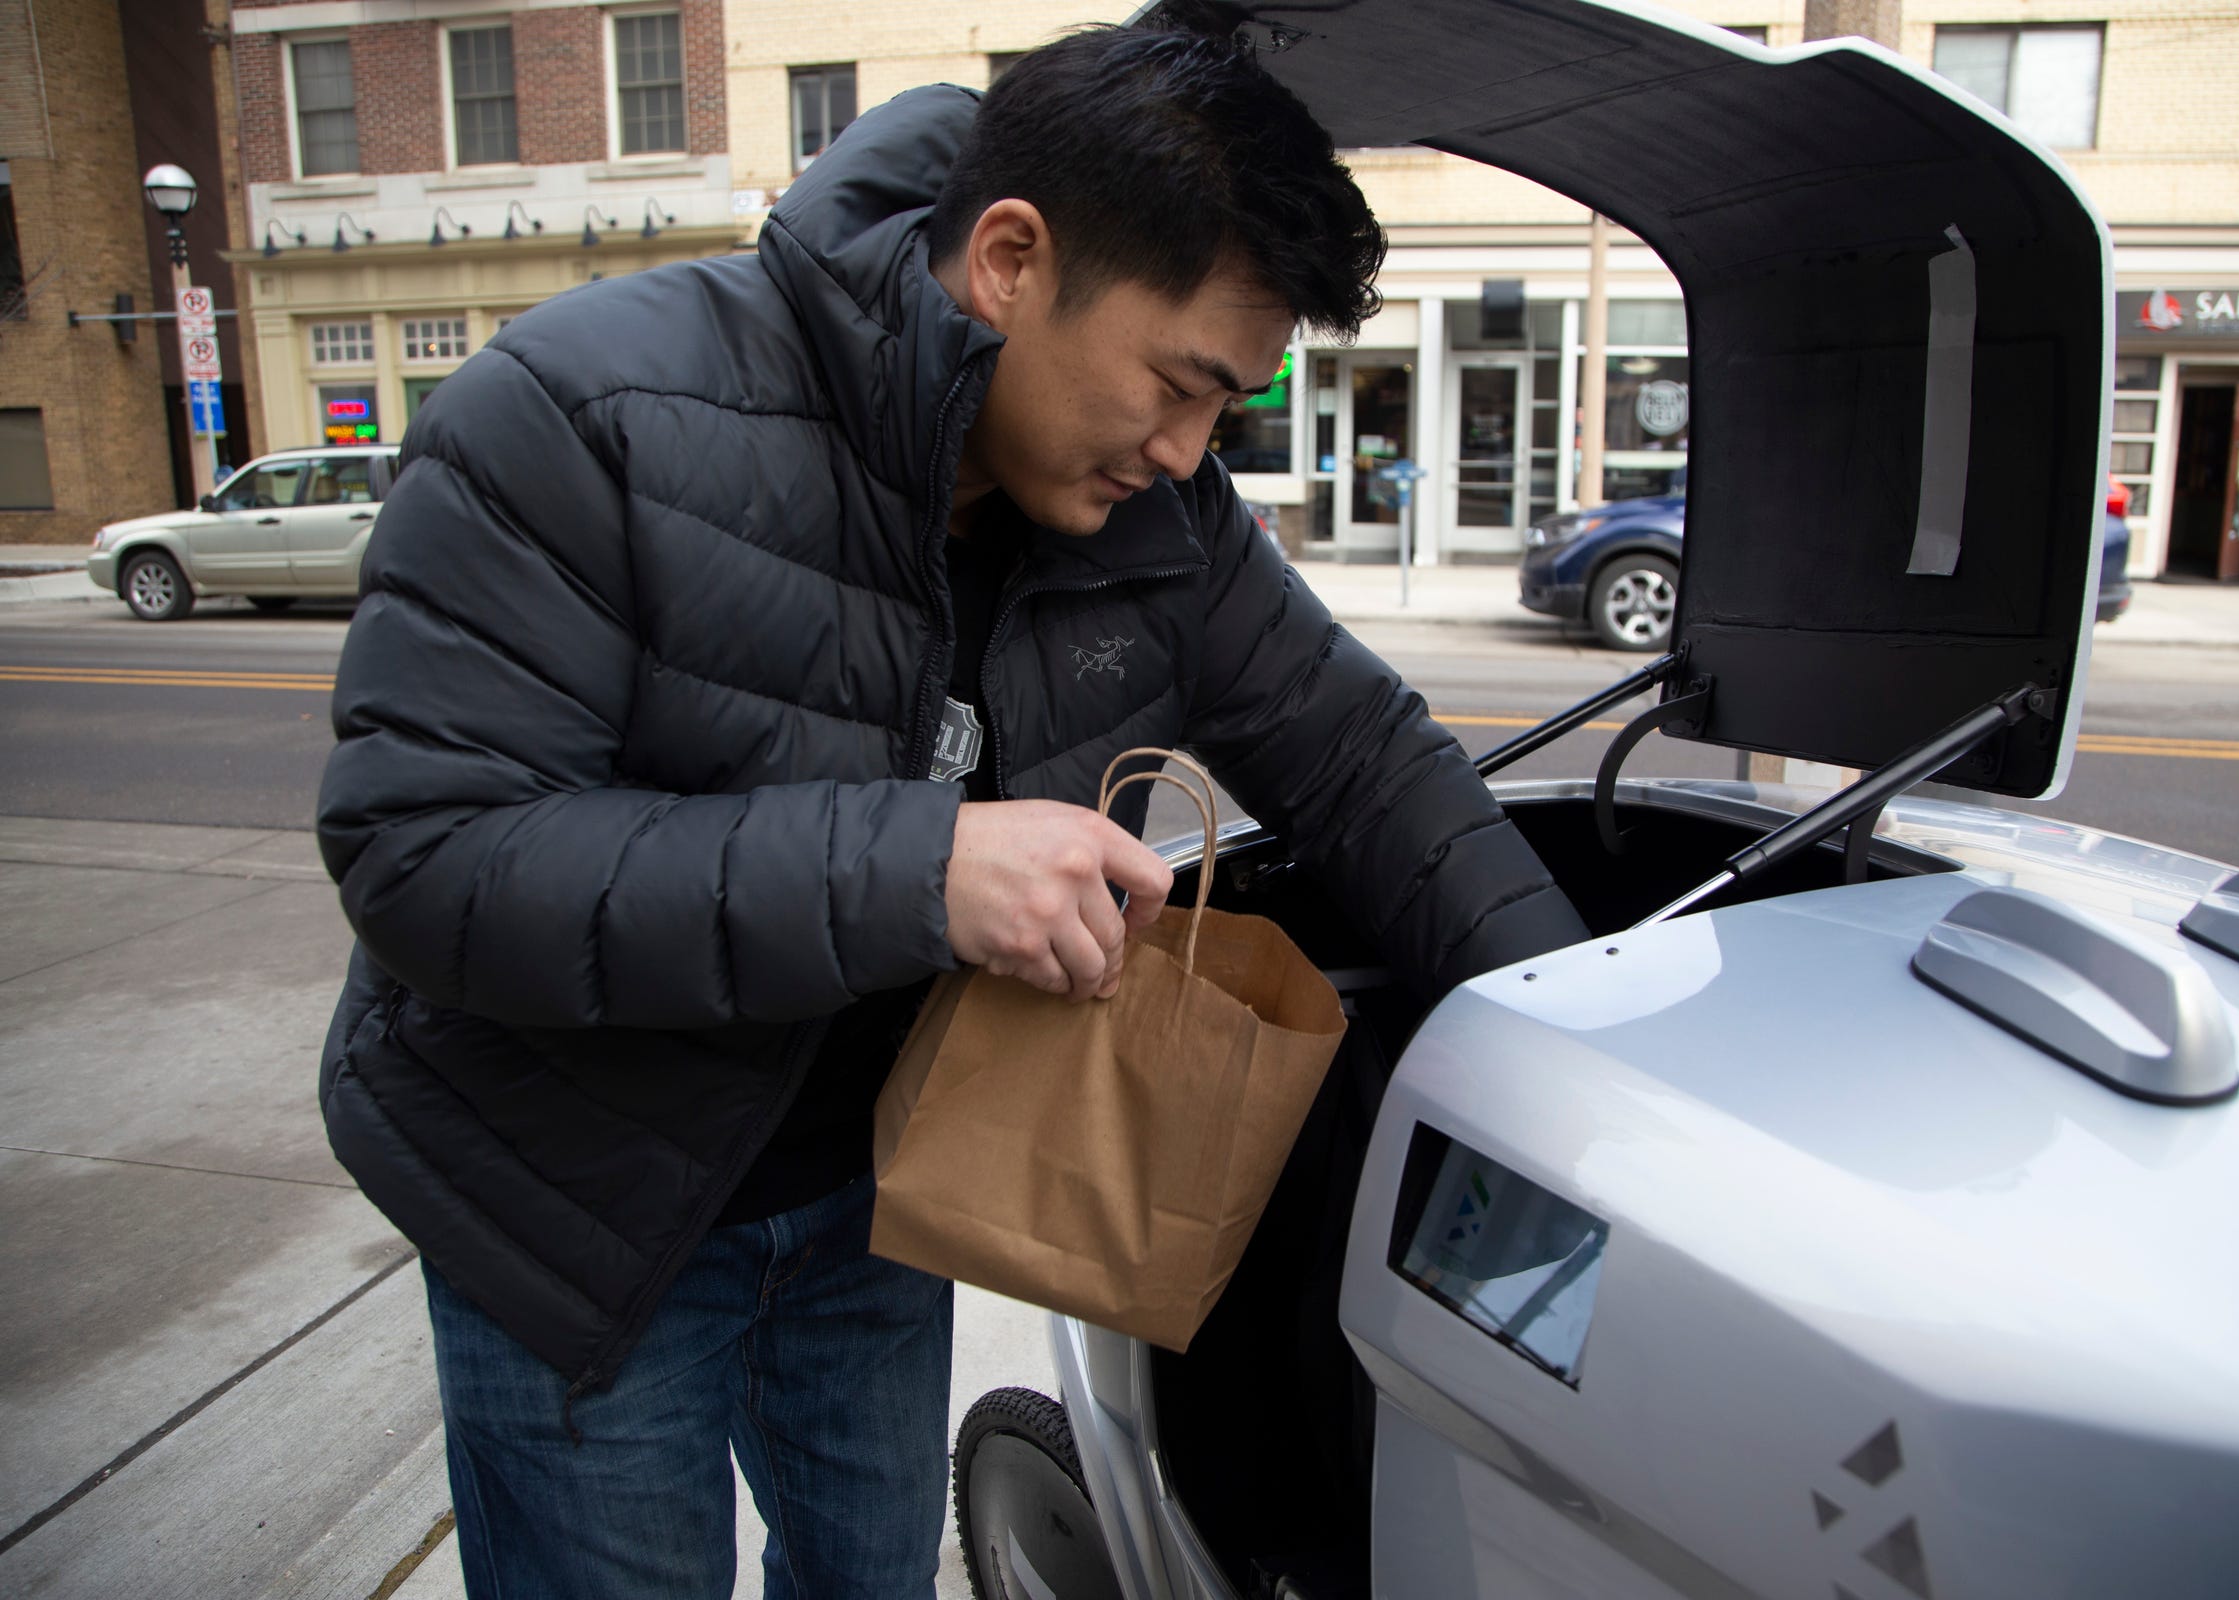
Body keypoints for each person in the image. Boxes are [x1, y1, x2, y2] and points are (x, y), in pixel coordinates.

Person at [316, 24, 1590, 1599]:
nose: (1194, 455)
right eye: (1179, 386)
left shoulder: (1162, 519)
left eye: (1231, 410)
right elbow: (428, 859)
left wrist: (1586, 1037)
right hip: (577, 1207)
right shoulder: (586, 412)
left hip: (887, 1189)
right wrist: (921, 867)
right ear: (1007, 261)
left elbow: (1371, 767)